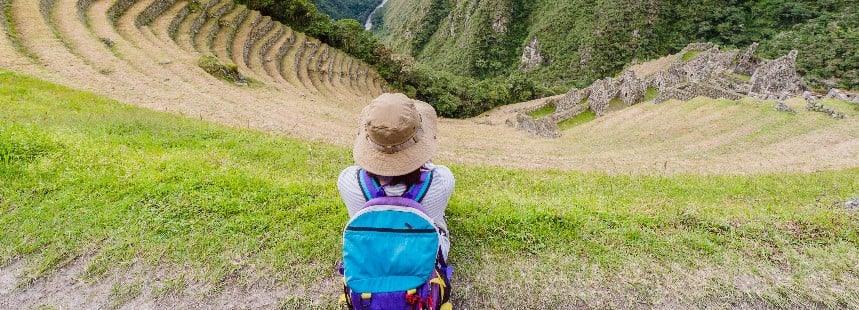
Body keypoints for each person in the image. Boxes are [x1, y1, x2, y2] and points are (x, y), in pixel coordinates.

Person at [337, 93, 454, 260]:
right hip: (420, 257)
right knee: (438, 220)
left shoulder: (348, 180)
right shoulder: (442, 179)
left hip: (372, 255)